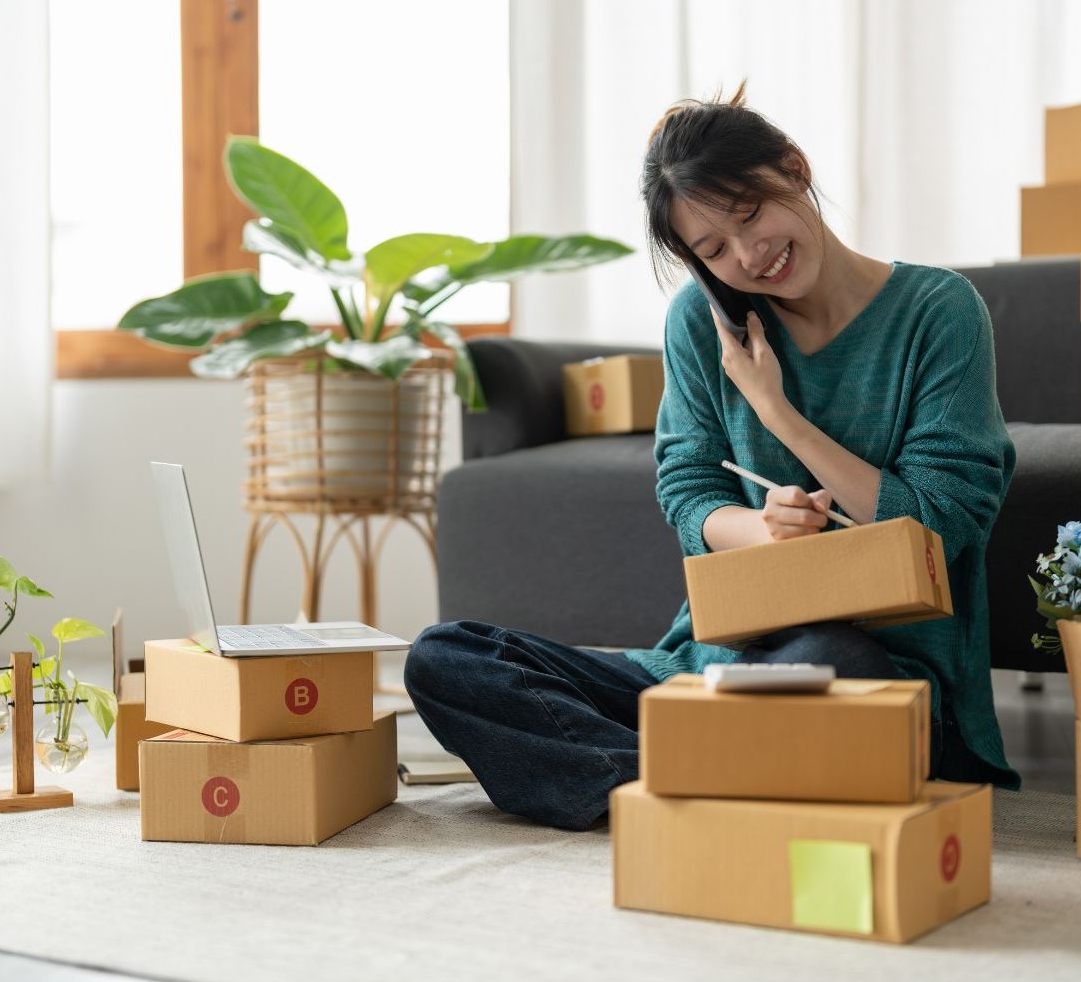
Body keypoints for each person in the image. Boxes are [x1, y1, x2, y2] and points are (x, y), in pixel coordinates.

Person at [404, 84, 1020, 832]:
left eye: (750, 214)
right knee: (447, 657)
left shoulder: (938, 312)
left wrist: (778, 414)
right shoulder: (702, 323)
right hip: (712, 663)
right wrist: (762, 533)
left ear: (792, 169)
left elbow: (939, 524)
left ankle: (639, 770)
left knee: (829, 658)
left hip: (881, 672)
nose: (748, 256)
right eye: (713, 250)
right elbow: (688, 489)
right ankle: (694, 767)